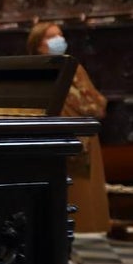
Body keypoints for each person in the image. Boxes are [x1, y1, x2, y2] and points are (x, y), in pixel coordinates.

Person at [28, 22, 110, 234]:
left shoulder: (74, 66)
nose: (58, 40)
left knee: (84, 205)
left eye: (60, 35)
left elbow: (95, 101)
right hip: (55, 138)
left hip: (84, 136)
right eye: (51, 37)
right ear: (38, 45)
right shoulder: (36, 69)